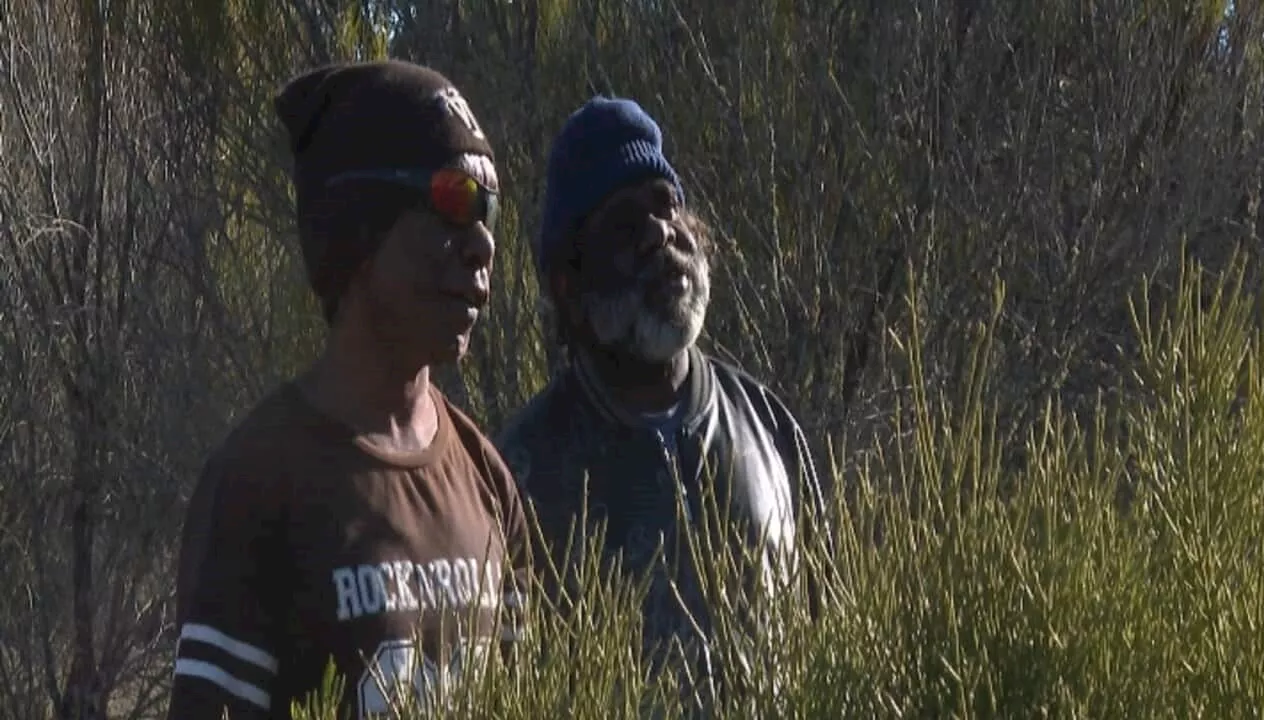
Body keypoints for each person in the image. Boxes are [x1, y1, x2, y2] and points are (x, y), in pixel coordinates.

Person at [165, 59, 529, 720]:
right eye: (453, 200)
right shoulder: (258, 483)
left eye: (493, 211)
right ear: (358, 234)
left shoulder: (487, 479)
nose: (482, 245)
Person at [496, 96, 831, 707]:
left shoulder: (769, 428)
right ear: (569, 288)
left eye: (666, 205)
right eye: (624, 223)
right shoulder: (519, 473)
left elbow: (835, 641)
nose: (659, 232)